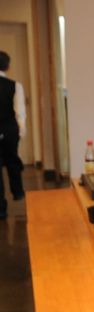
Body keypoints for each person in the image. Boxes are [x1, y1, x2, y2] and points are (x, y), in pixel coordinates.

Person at [0, 50, 26, 220]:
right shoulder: (14, 85)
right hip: (9, 129)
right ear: (8, 66)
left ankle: (1, 208)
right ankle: (17, 192)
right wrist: (21, 132)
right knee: (12, 160)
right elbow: (20, 112)